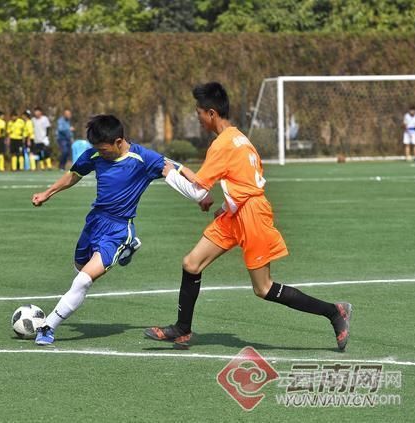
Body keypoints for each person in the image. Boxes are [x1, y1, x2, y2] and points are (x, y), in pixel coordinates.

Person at [145, 82, 352, 351]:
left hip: (252, 215)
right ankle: (182, 329)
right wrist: (226, 206)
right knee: (191, 264)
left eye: (199, 113)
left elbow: (197, 191)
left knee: (263, 288)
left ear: (211, 113)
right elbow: (246, 180)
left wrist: (169, 173)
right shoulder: (240, 138)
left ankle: (335, 312)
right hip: (236, 212)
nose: (198, 119)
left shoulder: (222, 144)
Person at [31, 114, 168, 345]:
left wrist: (201, 191)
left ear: (119, 141)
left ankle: (48, 327)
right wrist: (47, 193)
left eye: (104, 149)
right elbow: (74, 174)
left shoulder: (142, 157)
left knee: (83, 281)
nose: (100, 153)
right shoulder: (95, 154)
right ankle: (128, 249)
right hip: (94, 222)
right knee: (79, 270)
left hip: (118, 229)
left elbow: (175, 169)